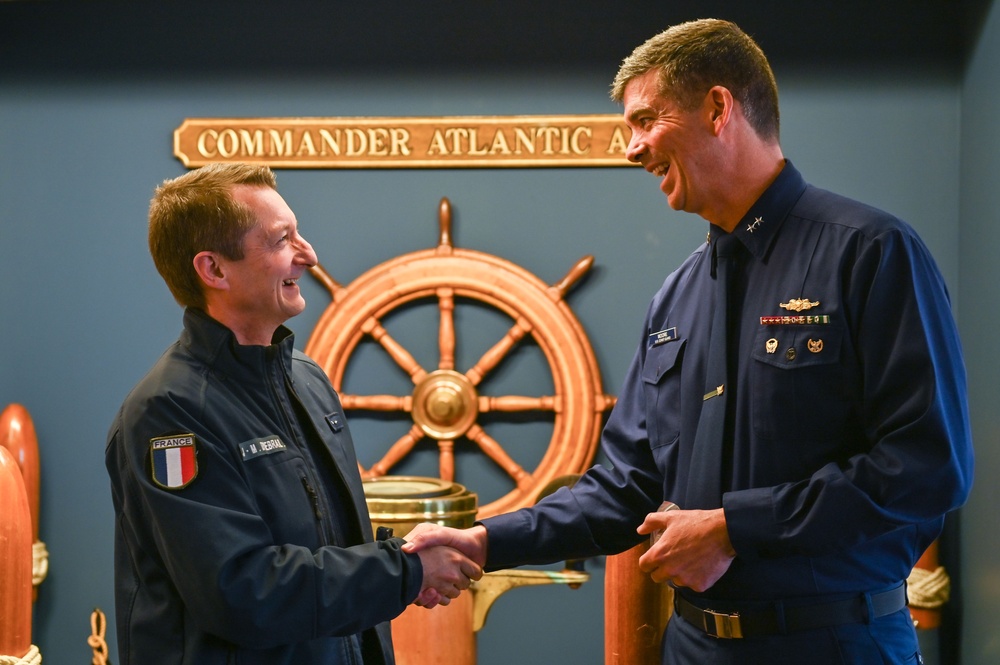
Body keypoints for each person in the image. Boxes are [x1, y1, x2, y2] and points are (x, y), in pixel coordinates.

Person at [404, 18, 974, 664]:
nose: (631, 149)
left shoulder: (871, 252)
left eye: (646, 120)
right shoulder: (675, 299)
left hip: (836, 642)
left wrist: (735, 528)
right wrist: (482, 541)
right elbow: (624, 489)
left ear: (717, 108)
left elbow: (927, 466)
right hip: (694, 648)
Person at [105, 162, 481, 665]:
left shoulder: (307, 380)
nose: (309, 255)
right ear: (214, 269)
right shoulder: (168, 416)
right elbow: (243, 594)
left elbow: (334, 551)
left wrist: (402, 561)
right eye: (283, 240)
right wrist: (405, 572)